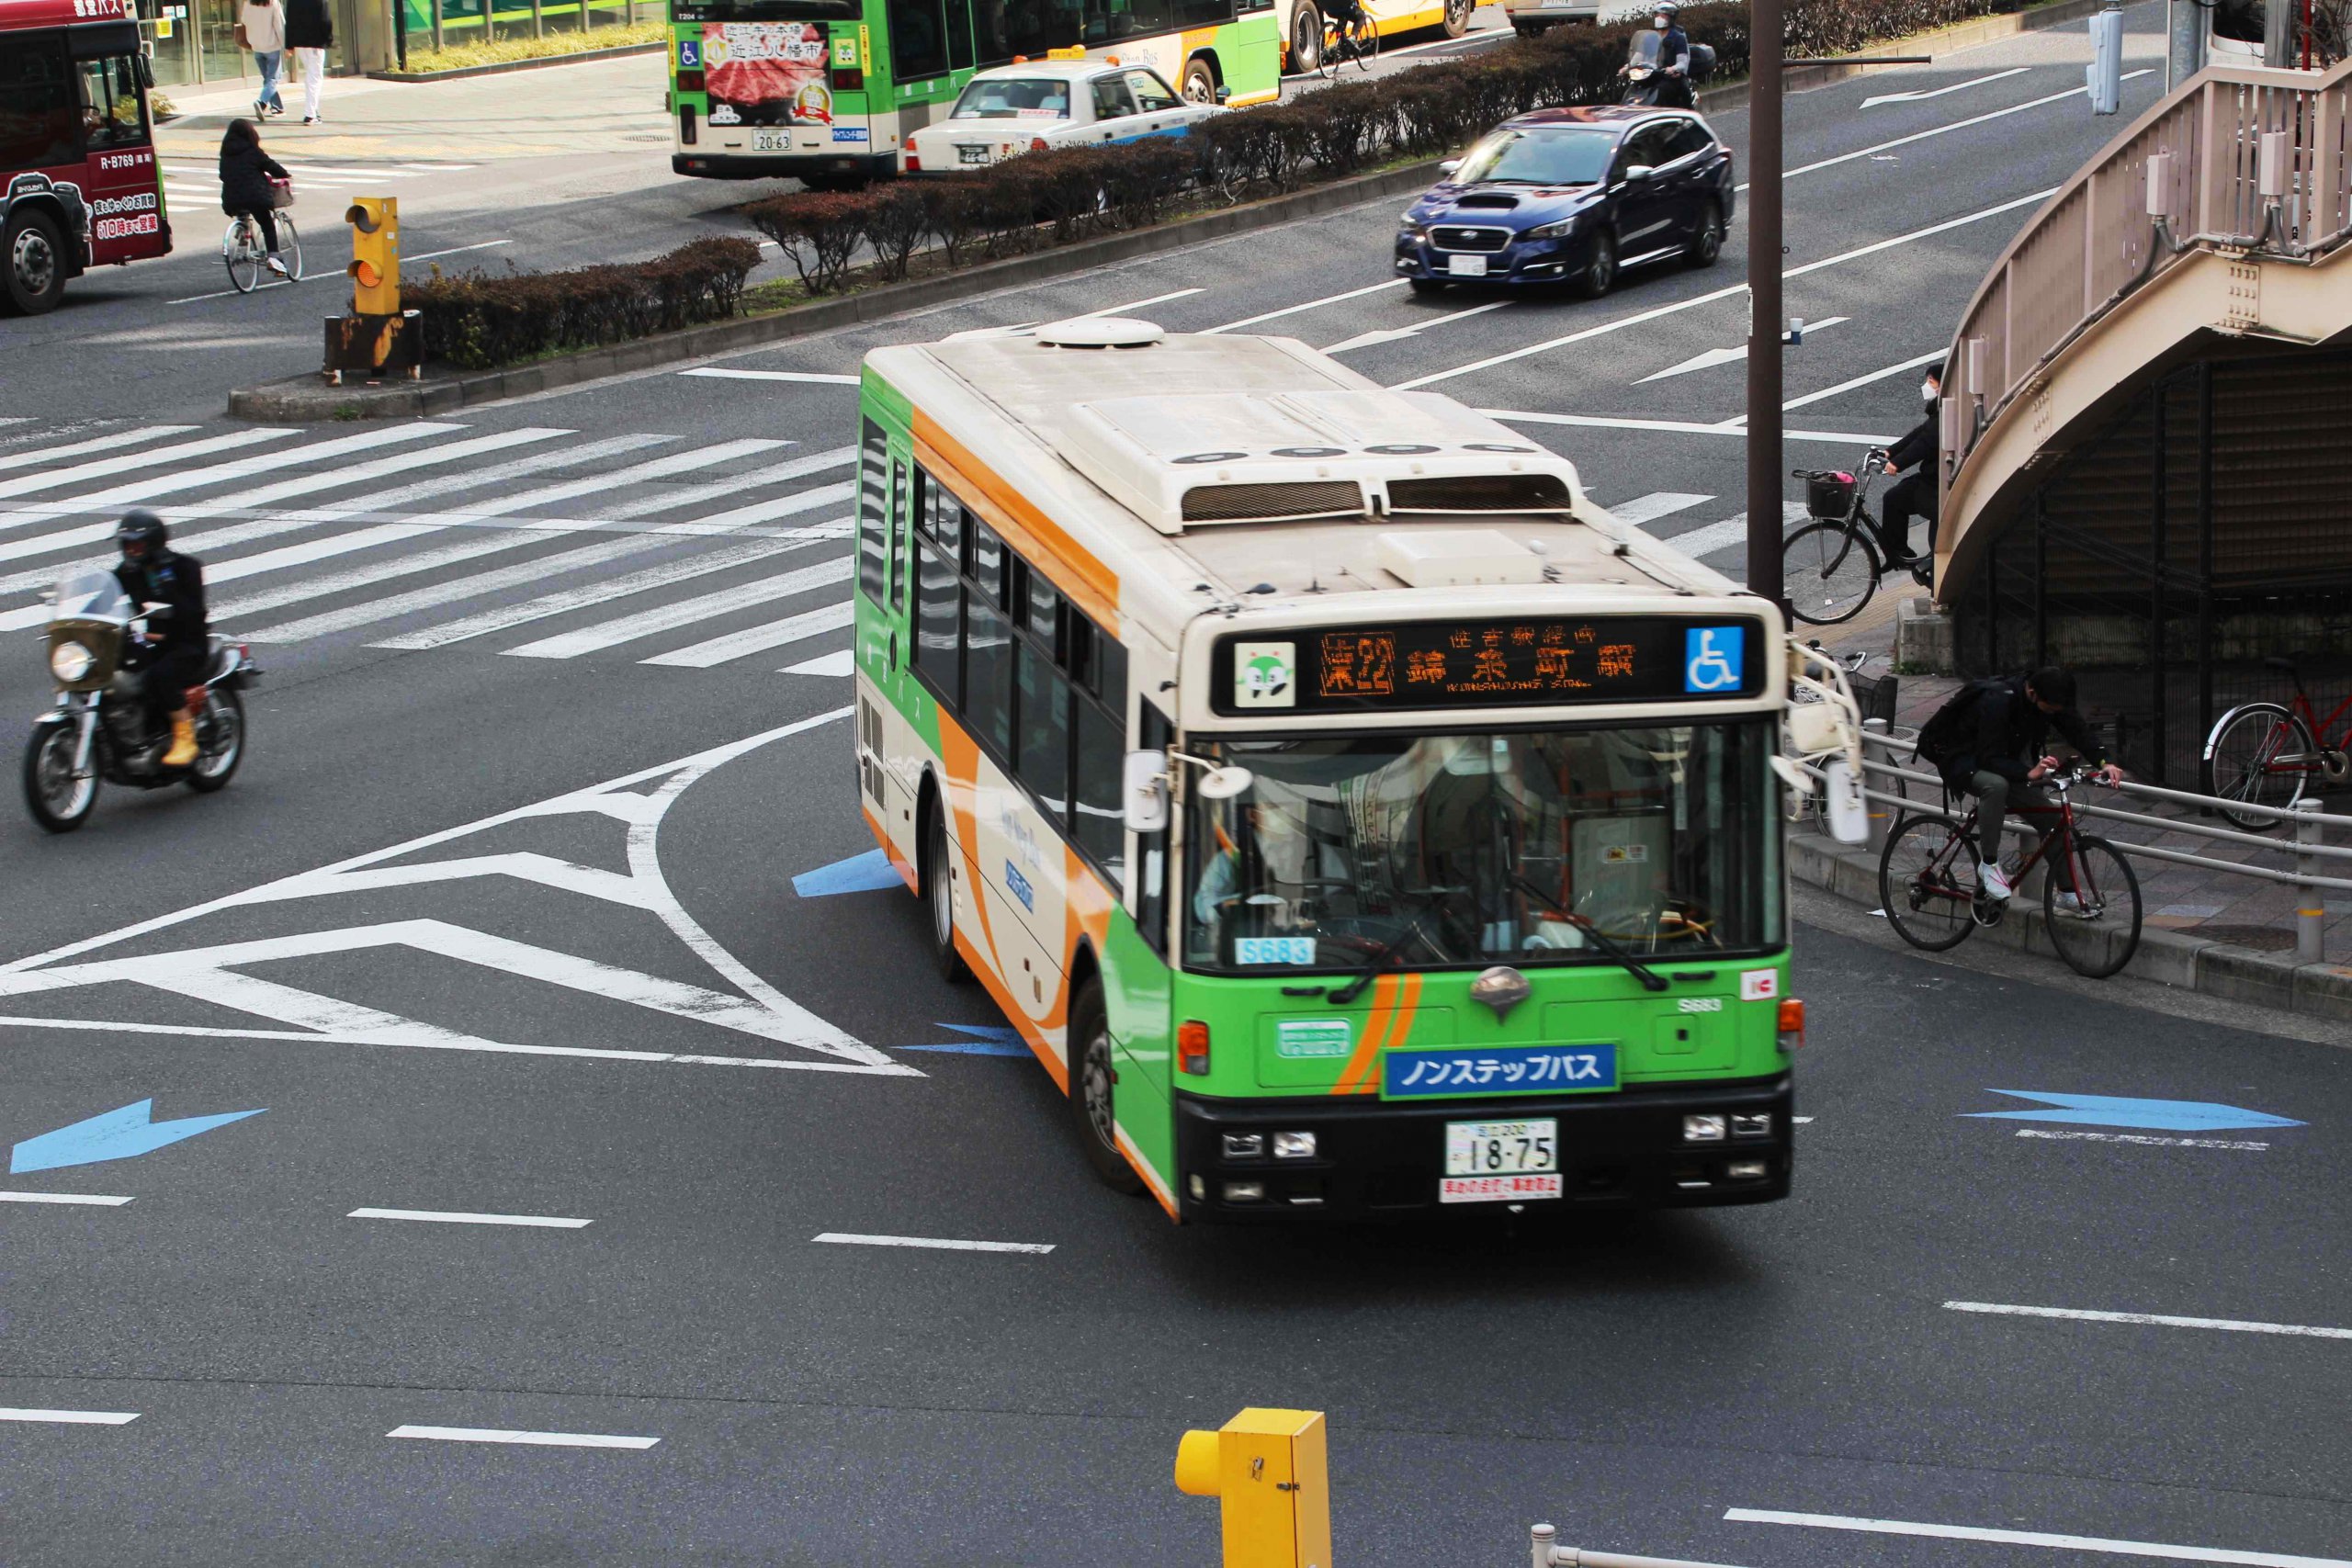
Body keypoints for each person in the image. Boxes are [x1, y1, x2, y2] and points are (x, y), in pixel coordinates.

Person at [1916, 666, 2125, 904]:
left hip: (2003, 760)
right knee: (1995, 786)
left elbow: (2077, 731)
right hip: (1962, 757)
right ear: (2033, 693)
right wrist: (2028, 772)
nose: (2053, 713)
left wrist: (2104, 761)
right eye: (2050, 709)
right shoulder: (1998, 701)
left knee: (2051, 819)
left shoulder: (2051, 698)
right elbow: (1989, 757)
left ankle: (2068, 896)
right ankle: (1989, 865)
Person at [112, 512, 209, 770]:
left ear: (154, 543)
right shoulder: (127, 572)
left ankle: (185, 738)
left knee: (160, 676)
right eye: (127, 544)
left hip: (187, 644)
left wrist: (167, 584)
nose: (131, 550)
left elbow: (193, 613)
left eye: (138, 544)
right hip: (152, 642)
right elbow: (105, 596)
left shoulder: (185, 568)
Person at [1873, 359, 1942, 572]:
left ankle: (1901, 555)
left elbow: (1926, 442)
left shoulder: (1947, 412)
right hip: (1934, 478)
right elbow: (1919, 433)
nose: (1926, 386)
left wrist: (1897, 463)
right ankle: (1899, 554)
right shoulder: (1941, 408)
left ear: (1943, 384)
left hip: (1937, 483)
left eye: (1930, 381)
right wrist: (1890, 452)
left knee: (1895, 499)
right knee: (1895, 498)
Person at [219, 118, 292, 278]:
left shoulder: (225, 153)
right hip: (255, 197)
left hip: (231, 199)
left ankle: (243, 231)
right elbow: (271, 166)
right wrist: (284, 173)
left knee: (243, 209)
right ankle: (274, 258)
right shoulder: (253, 151)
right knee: (267, 225)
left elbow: (222, 175)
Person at [284, 0, 333, 126]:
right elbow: (325, 20)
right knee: (314, 78)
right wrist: (328, 40)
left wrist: (289, 45)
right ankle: (310, 114)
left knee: (311, 76)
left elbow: (289, 22)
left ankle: (313, 110)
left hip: (299, 43)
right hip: (316, 43)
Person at [240, 0, 288, 118]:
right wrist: (286, 46)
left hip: (256, 46)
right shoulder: (273, 3)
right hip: (271, 46)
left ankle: (277, 107)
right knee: (273, 79)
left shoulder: (248, 3)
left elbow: (244, 21)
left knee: (268, 80)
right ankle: (261, 102)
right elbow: (280, 26)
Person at [1651, 2, 1693, 107]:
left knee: (1678, 89)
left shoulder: (1678, 37)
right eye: (1657, 15)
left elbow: (1682, 62)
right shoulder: (1653, 37)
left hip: (1672, 77)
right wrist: (1629, 66)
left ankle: (1688, 115)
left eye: (1663, 15)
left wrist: (1673, 69)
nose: (1659, 18)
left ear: (1671, 18)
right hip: (1654, 75)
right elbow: (1641, 54)